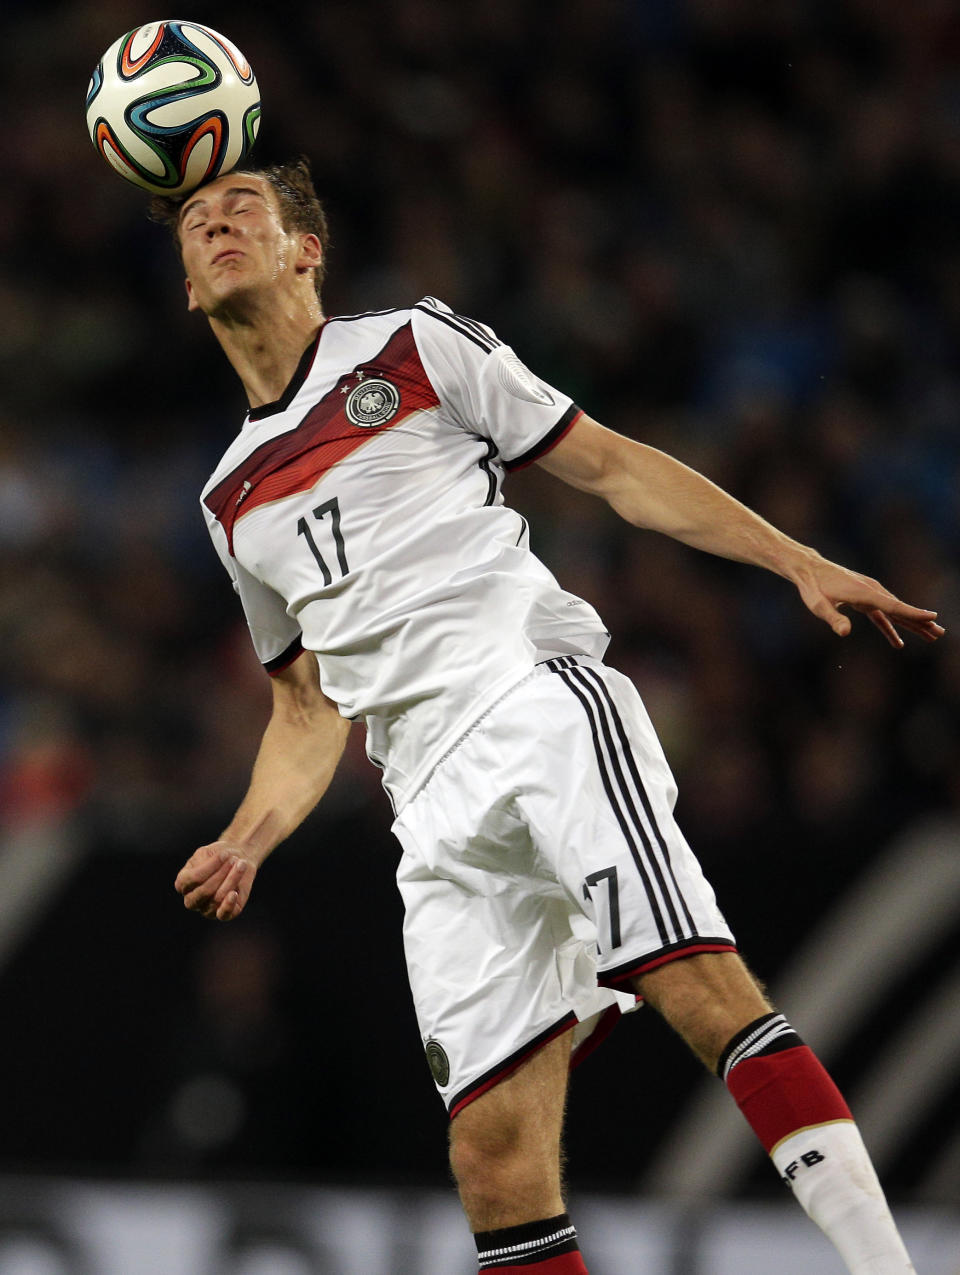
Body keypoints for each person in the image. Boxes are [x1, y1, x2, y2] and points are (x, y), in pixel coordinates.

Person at [162, 158, 942, 1275]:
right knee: (493, 1160)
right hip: (428, 811)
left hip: (534, 704)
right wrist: (245, 839)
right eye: (197, 220)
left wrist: (794, 557)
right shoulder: (229, 498)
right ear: (189, 287)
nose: (220, 224)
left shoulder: (417, 347)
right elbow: (305, 704)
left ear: (306, 250)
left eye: (247, 209)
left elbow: (614, 469)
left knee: (695, 985)